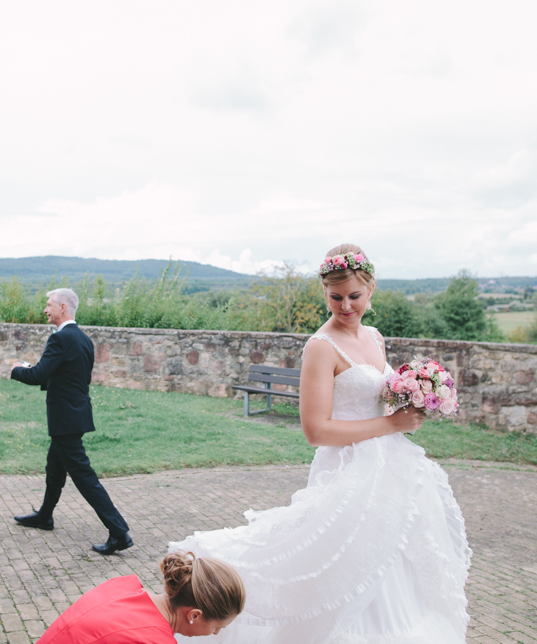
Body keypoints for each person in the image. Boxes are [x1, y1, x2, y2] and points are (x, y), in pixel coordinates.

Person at [170, 244, 472, 643]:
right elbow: (316, 430)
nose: (345, 306)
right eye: (335, 297)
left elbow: (376, 398)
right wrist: (390, 422)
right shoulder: (320, 347)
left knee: (392, 560)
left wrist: (412, 398)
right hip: (347, 471)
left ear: (371, 289)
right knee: (343, 564)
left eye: (354, 296)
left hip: (390, 468)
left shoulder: (376, 337)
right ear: (324, 293)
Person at [10, 288, 133, 555]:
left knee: (84, 477)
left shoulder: (60, 339)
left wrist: (17, 370)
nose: (45, 309)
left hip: (65, 419)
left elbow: (39, 376)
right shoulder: (84, 339)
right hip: (74, 415)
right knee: (54, 469)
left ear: (63, 307)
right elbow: (66, 376)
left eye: (49, 304)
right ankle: (45, 516)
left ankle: (119, 532)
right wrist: (37, 370)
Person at [37, 551, 246, 643]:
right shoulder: (151, 640)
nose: (216, 633)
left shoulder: (122, 587)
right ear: (195, 615)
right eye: (219, 626)